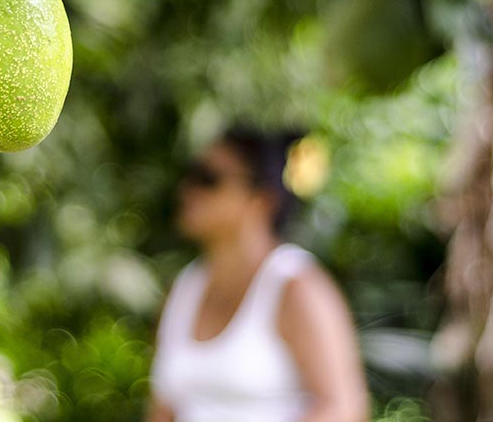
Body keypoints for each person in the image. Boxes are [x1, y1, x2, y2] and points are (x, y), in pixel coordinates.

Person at [147, 128, 369, 422]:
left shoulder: (295, 286)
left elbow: (344, 408)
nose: (189, 190)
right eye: (191, 175)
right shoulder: (186, 286)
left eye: (208, 179)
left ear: (261, 199)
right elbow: (164, 408)